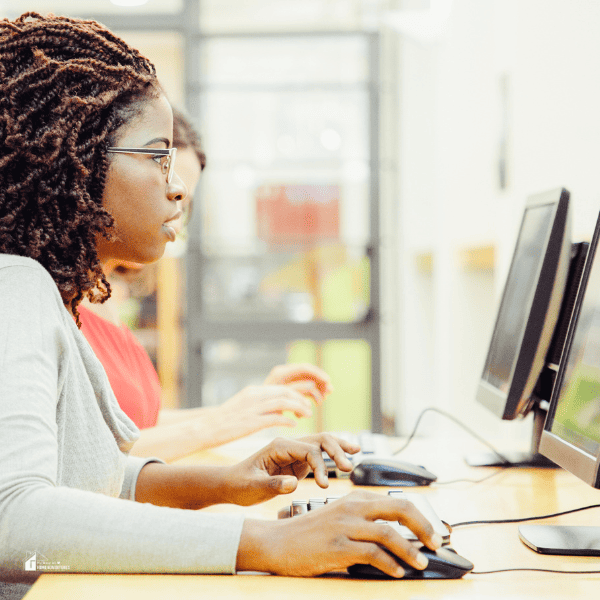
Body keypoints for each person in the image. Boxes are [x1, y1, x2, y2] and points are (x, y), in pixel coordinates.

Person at [0, 13, 441, 600]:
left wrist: (225, 482)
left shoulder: (44, 297)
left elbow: (82, 477)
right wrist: (267, 543)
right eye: (157, 156)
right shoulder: (15, 286)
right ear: (75, 160)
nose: (176, 186)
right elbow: (15, 519)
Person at [78, 108, 332, 461]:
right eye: (166, 188)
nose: (174, 213)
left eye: (185, 200)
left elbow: (134, 427)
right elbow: (86, 457)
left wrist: (247, 407)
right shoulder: (52, 301)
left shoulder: (103, 295)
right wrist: (219, 423)